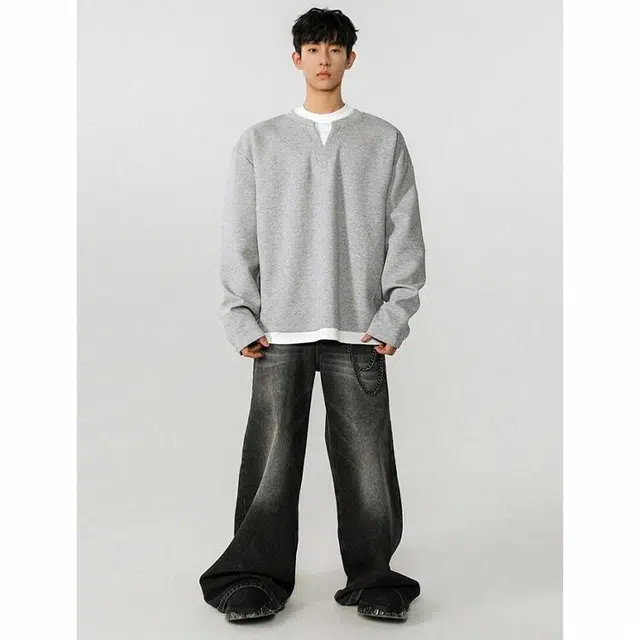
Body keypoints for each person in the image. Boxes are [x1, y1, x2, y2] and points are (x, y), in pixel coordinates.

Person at [198, 7, 426, 623]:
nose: (324, 60)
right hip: (279, 330)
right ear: (296, 59)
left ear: (351, 58)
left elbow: (405, 233)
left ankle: (375, 578)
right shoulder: (260, 141)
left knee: (368, 464)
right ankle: (252, 576)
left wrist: (394, 314)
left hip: (360, 329)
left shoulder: (383, 140)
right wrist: (240, 316)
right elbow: (238, 237)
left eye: (335, 49)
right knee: (271, 463)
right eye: (313, 49)